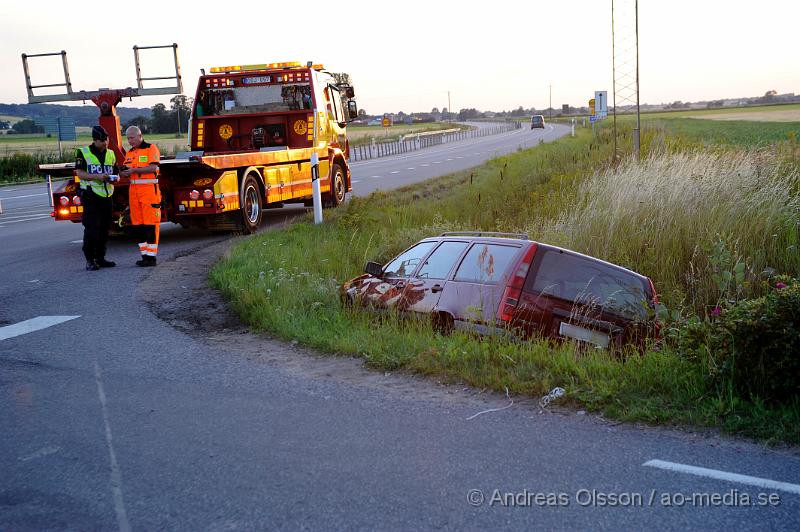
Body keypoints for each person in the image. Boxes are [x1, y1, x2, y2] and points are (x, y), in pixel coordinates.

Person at [75, 125, 118, 271]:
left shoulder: (111, 153)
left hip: (107, 195)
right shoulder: (83, 152)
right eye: (102, 141)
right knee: (92, 229)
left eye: (106, 140)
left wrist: (114, 178)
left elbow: (115, 171)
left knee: (105, 229)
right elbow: (80, 173)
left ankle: (101, 257)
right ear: (94, 140)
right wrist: (96, 176)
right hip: (91, 195)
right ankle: (90, 260)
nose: (105, 143)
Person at [120, 126, 161, 267]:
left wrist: (134, 170)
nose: (130, 141)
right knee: (137, 226)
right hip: (134, 193)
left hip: (149, 192)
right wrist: (122, 171)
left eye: (132, 138)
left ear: (139, 135)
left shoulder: (151, 148)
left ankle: (152, 258)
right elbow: (126, 168)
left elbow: (153, 168)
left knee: (150, 225)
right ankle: (144, 256)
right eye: (128, 139)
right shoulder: (130, 153)